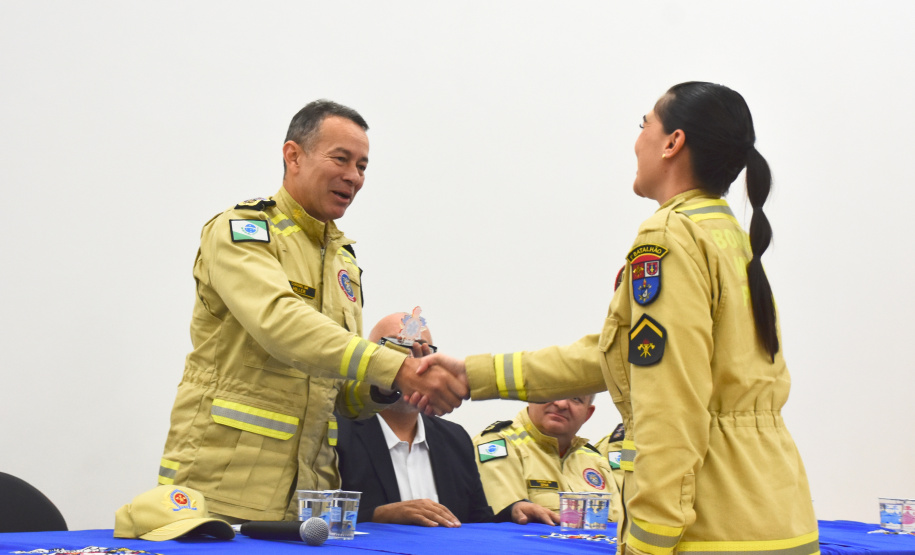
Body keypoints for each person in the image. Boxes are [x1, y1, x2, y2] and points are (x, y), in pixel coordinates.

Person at [418, 82, 819, 555]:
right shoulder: (726, 233)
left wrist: (648, 542)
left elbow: (671, 407)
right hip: (776, 512)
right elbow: (615, 355)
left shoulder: (669, 235)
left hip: (714, 530)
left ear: (673, 143)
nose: (637, 139)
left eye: (644, 123)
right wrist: (474, 375)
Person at [156, 100, 467, 522]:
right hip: (224, 485)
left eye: (362, 166)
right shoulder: (243, 232)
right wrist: (394, 367)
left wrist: (392, 389)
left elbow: (339, 389)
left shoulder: (344, 263)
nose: (353, 176)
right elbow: (282, 325)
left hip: (312, 496)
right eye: (341, 159)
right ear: (293, 155)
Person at [336, 313, 558, 527]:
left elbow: (475, 521)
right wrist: (378, 516)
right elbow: (315, 518)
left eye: (421, 351)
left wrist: (513, 513)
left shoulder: (455, 438)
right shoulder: (337, 433)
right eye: (394, 350)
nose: (409, 364)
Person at [472, 396, 615, 519]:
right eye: (553, 392)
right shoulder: (497, 444)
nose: (561, 404)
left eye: (576, 399)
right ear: (531, 395)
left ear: (587, 414)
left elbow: (620, 524)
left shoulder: (596, 460)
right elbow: (508, 522)